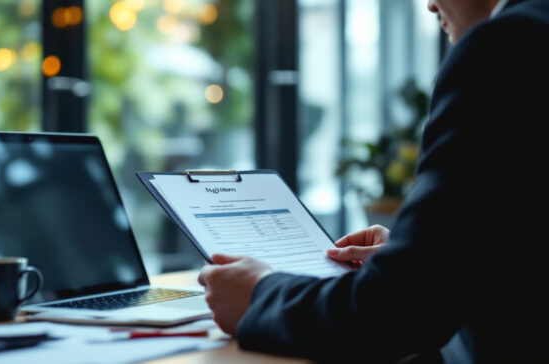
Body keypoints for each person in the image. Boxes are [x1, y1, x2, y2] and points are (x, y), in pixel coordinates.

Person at [198, 0, 549, 362]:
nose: (429, 5)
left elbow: (399, 314)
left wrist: (260, 296)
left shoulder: (506, 45)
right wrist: (419, 255)